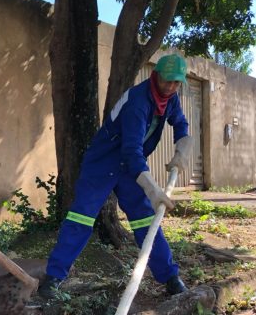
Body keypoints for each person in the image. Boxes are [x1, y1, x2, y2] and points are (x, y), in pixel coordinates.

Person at [39, 54, 194, 300]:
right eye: (168, 81)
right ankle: (53, 277)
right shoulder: (138, 102)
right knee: (81, 217)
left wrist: (182, 149)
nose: (172, 87)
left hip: (129, 165)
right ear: (156, 76)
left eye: (177, 83)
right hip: (104, 162)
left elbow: (181, 124)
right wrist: (153, 189)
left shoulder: (170, 98)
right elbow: (131, 151)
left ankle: (170, 278)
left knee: (146, 220)